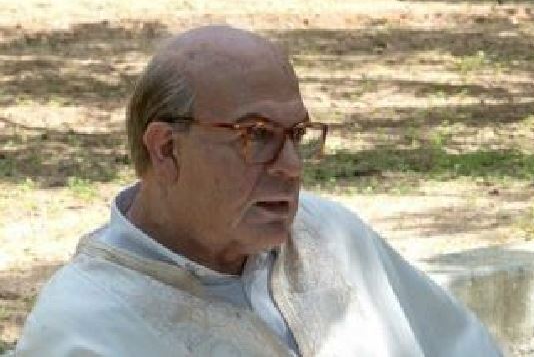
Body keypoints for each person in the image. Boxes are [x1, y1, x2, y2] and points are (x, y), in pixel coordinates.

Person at [12, 26, 501, 356]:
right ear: (165, 149)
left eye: (297, 135)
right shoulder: (86, 327)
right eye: (257, 135)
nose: (290, 168)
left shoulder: (331, 234)